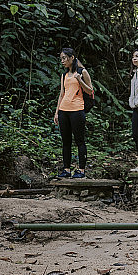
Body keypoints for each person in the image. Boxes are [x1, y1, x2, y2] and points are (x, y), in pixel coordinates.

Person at [53, 48, 94, 178]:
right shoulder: (64, 75)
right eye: (61, 58)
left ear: (72, 58)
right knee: (66, 142)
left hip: (77, 110)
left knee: (79, 140)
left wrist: (80, 80)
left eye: (64, 58)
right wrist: (56, 112)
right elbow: (61, 94)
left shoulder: (82, 72)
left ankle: (81, 170)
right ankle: (66, 169)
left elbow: (90, 91)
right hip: (63, 110)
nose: (62, 61)